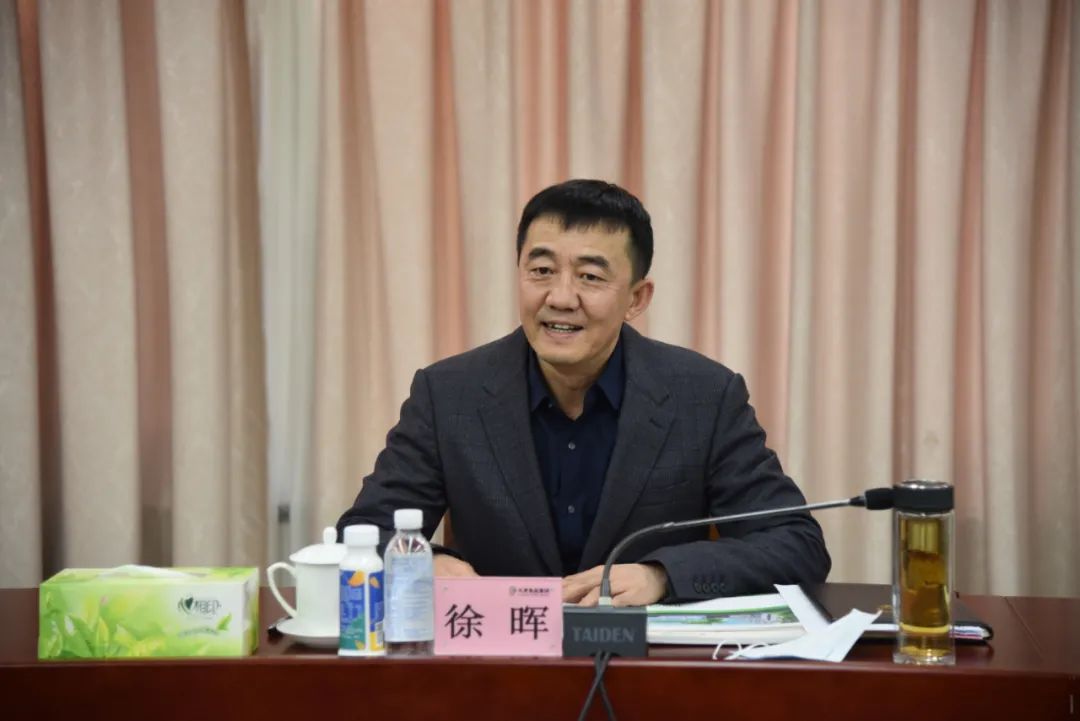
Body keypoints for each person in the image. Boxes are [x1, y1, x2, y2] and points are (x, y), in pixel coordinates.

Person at [337, 179, 830, 607]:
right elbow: (364, 532)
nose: (560, 298)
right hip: (497, 663)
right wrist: (427, 562)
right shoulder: (449, 394)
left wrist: (662, 576)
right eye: (541, 271)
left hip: (645, 667)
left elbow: (795, 543)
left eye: (590, 277)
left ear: (636, 298)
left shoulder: (703, 396)